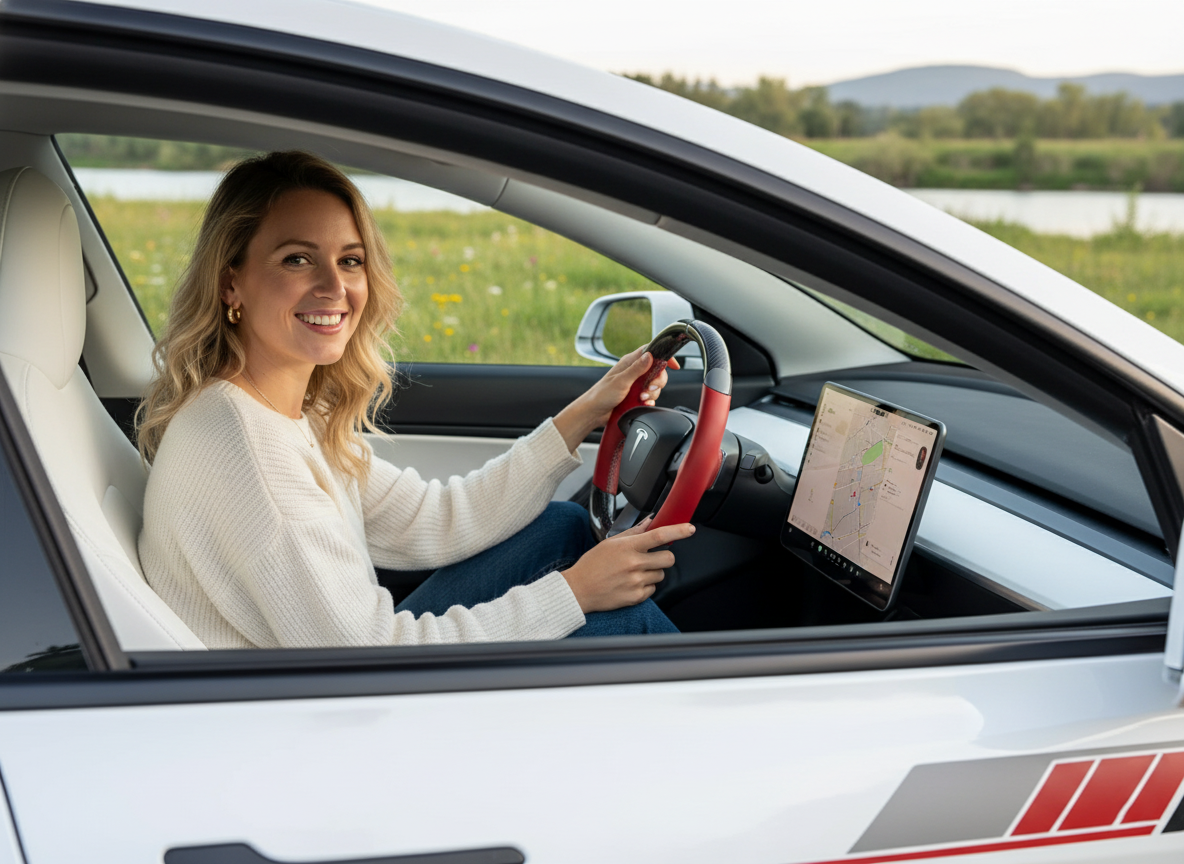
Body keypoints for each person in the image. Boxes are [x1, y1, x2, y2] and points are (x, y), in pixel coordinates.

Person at [136, 151, 692, 649]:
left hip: (338, 675)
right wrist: (575, 592)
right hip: (317, 710)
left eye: (350, 260)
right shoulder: (247, 450)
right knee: (625, 623)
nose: (334, 286)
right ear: (231, 283)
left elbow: (438, 518)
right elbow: (369, 657)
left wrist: (587, 411)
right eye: (297, 259)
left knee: (561, 527)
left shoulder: (287, 411)